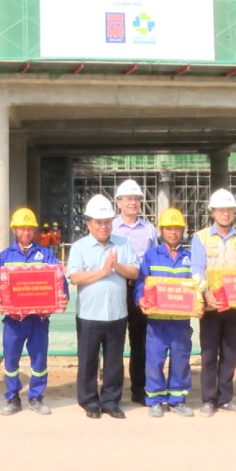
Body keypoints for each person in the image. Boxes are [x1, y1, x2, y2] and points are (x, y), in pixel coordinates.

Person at [0, 207, 67, 416]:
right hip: (14, 320)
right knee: (11, 360)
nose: (26, 233)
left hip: (38, 320)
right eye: (22, 229)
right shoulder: (5, 256)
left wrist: (61, 297)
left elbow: (59, 281)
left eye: (30, 229)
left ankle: (36, 396)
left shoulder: (46, 254)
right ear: (15, 230)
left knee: (39, 360)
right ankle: (12, 396)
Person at [68, 194, 138, 419]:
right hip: (89, 315)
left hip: (117, 314)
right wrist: (103, 271)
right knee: (88, 360)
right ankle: (89, 401)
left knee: (114, 362)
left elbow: (135, 272)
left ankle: (110, 400)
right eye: (98, 222)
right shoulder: (79, 247)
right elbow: (76, 277)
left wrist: (116, 265)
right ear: (88, 223)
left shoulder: (123, 244)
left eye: (107, 221)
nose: (103, 226)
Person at [190, 189, 236, 417]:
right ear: (213, 212)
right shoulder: (201, 237)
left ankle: (225, 399)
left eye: (229, 209)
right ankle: (208, 399)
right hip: (211, 305)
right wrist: (205, 293)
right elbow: (196, 268)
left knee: (230, 353)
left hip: (235, 307)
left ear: (234, 212)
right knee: (208, 354)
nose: (225, 213)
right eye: (221, 209)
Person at [135, 208, 194, 418]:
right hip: (157, 322)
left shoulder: (190, 257)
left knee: (180, 359)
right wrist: (140, 298)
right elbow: (142, 282)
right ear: (161, 231)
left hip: (180, 321)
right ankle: (156, 399)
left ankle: (177, 399)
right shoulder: (151, 255)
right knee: (155, 360)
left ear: (183, 231)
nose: (173, 232)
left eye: (177, 228)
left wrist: (200, 301)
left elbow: (198, 285)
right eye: (169, 228)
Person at [111, 178, 156, 405]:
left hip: (140, 289)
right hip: (116, 288)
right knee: (114, 342)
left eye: (137, 198)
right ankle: (112, 391)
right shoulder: (109, 227)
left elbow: (154, 259)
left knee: (141, 342)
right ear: (118, 202)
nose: (133, 202)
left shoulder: (148, 229)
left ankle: (140, 389)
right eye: (128, 198)